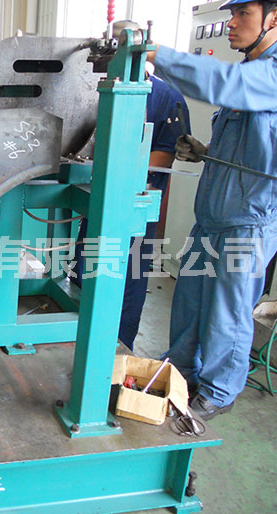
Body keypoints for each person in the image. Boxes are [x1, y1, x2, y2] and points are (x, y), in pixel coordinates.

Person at [147, 0, 277, 419]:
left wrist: (155, 53)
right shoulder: (254, 72)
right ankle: (181, 370)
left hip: (249, 221)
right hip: (213, 214)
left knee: (228, 311)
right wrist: (206, 151)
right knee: (189, 300)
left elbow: (226, 83)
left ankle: (219, 390)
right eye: (231, 13)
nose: (231, 23)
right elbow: (257, 144)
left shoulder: (275, 73)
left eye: (243, 13)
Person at [72, 20, 191, 352]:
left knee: (126, 287)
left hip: (133, 215)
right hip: (96, 205)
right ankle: (78, 346)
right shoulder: (95, 92)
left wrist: (110, 165)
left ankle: (116, 354)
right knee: (85, 275)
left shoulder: (166, 99)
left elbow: (162, 158)